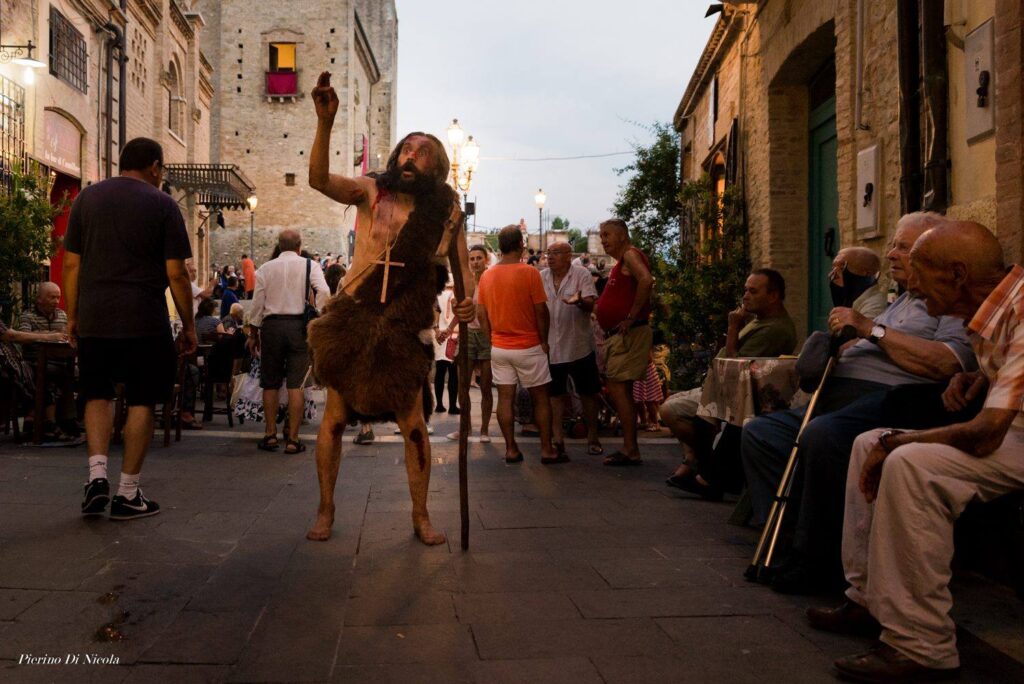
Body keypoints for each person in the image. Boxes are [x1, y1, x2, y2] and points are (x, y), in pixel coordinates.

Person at [809, 221, 1023, 682]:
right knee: (868, 440)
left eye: (921, 275)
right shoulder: (996, 307)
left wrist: (902, 440)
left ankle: (922, 644)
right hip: (1011, 431)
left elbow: (987, 434)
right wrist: (980, 379)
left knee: (908, 462)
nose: (916, 291)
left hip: (1013, 437)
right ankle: (868, 599)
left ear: (958, 274)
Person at [741, 212, 977, 594]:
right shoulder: (896, 301)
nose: (893, 255)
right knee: (761, 433)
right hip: (840, 395)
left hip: (888, 398)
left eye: (903, 246)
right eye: (894, 244)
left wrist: (871, 330)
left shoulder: (948, 304)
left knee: (823, 435)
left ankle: (817, 559)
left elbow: (947, 361)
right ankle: (792, 540)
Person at [305, 71, 474, 545]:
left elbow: (464, 271)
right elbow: (318, 179)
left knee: (414, 427)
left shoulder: (445, 212)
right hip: (354, 320)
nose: (410, 157)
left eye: (423, 154)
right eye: (407, 149)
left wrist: (469, 304)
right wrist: (325, 123)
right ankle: (325, 508)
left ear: (436, 168)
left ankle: (421, 516)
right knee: (335, 420)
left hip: (403, 328)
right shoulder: (370, 192)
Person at [64, 137, 196, 520]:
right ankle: (127, 493)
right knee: (142, 400)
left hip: (95, 317)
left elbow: (71, 265)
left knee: (97, 394)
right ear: (154, 166)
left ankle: (96, 477)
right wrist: (188, 326)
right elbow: (177, 273)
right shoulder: (163, 205)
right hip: (143, 318)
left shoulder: (85, 200)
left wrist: (73, 316)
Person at [664, 269, 797, 496]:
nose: (745, 296)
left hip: (735, 394)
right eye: (745, 290)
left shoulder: (774, 329)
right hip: (722, 388)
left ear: (773, 296)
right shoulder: (758, 321)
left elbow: (734, 369)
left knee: (671, 411)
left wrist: (733, 328)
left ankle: (706, 470)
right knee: (672, 402)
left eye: (753, 291)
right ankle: (695, 461)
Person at [476, 225, 563, 465]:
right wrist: (544, 340)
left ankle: (511, 449)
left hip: (500, 346)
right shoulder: (529, 273)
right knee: (541, 398)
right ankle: (546, 449)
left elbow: (481, 314)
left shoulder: (487, 275)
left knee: (505, 398)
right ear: (520, 245)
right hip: (529, 345)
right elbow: (540, 311)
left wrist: (490, 337)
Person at [248, 230, 329, 454]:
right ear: (299, 247)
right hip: (298, 327)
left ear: (279, 246)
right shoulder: (309, 266)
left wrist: (253, 333)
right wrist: (320, 314)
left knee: (270, 382)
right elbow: (323, 290)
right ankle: (293, 439)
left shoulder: (265, 268)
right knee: (296, 384)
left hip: (272, 327)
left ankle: (270, 434)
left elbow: (257, 304)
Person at [593, 218, 654, 466]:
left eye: (607, 235)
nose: (603, 240)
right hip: (619, 335)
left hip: (627, 334)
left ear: (621, 235)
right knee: (621, 392)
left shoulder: (629, 255)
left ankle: (631, 449)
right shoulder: (621, 262)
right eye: (601, 235)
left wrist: (631, 316)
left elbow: (646, 280)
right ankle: (630, 448)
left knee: (620, 391)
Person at [541, 241, 602, 456]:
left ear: (568, 256)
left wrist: (578, 301)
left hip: (579, 345)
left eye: (556, 253)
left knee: (588, 393)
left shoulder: (581, 274)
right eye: (549, 253)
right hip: (552, 345)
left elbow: (590, 303)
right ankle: (558, 439)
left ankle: (593, 437)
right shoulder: (542, 277)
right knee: (555, 394)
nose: (550, 257)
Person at [447, 244, 494, 442]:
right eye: (472, 258)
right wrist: (449, 329)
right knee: (462, 385)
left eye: (478, 258)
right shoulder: (464, 283)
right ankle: (464, 428)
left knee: (485, 386)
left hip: (486, 336)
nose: (475, 262)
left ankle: (484, 430)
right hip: (467, 335)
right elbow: (461, 311)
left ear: (486, 260)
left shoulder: (491, 281)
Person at [18, 282, 77, 438]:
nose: (56, 301)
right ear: (39, 299)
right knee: (48, 374)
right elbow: (23, 337)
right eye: (51, 297)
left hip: (62, 361)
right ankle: (50, 422)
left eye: (58, 297)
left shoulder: (63, 315)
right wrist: (48, 336)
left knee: (80, 374)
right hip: (35, 361)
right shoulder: (27, 316)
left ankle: (59, 420)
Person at [830, 247, 886, 317]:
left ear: (867, 273)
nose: (833, 275)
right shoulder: (850, 302)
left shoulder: (875, 305)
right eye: (833, 268)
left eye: (842, 268)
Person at [433, 281, 460, 414]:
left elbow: (433, 313)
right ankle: (453, 406)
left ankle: (439, 405)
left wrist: (437, 330)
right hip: (453, 335)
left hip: (439, 336)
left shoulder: (437, 295)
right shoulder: (456, 295)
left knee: (440, 371)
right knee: (453, 373)